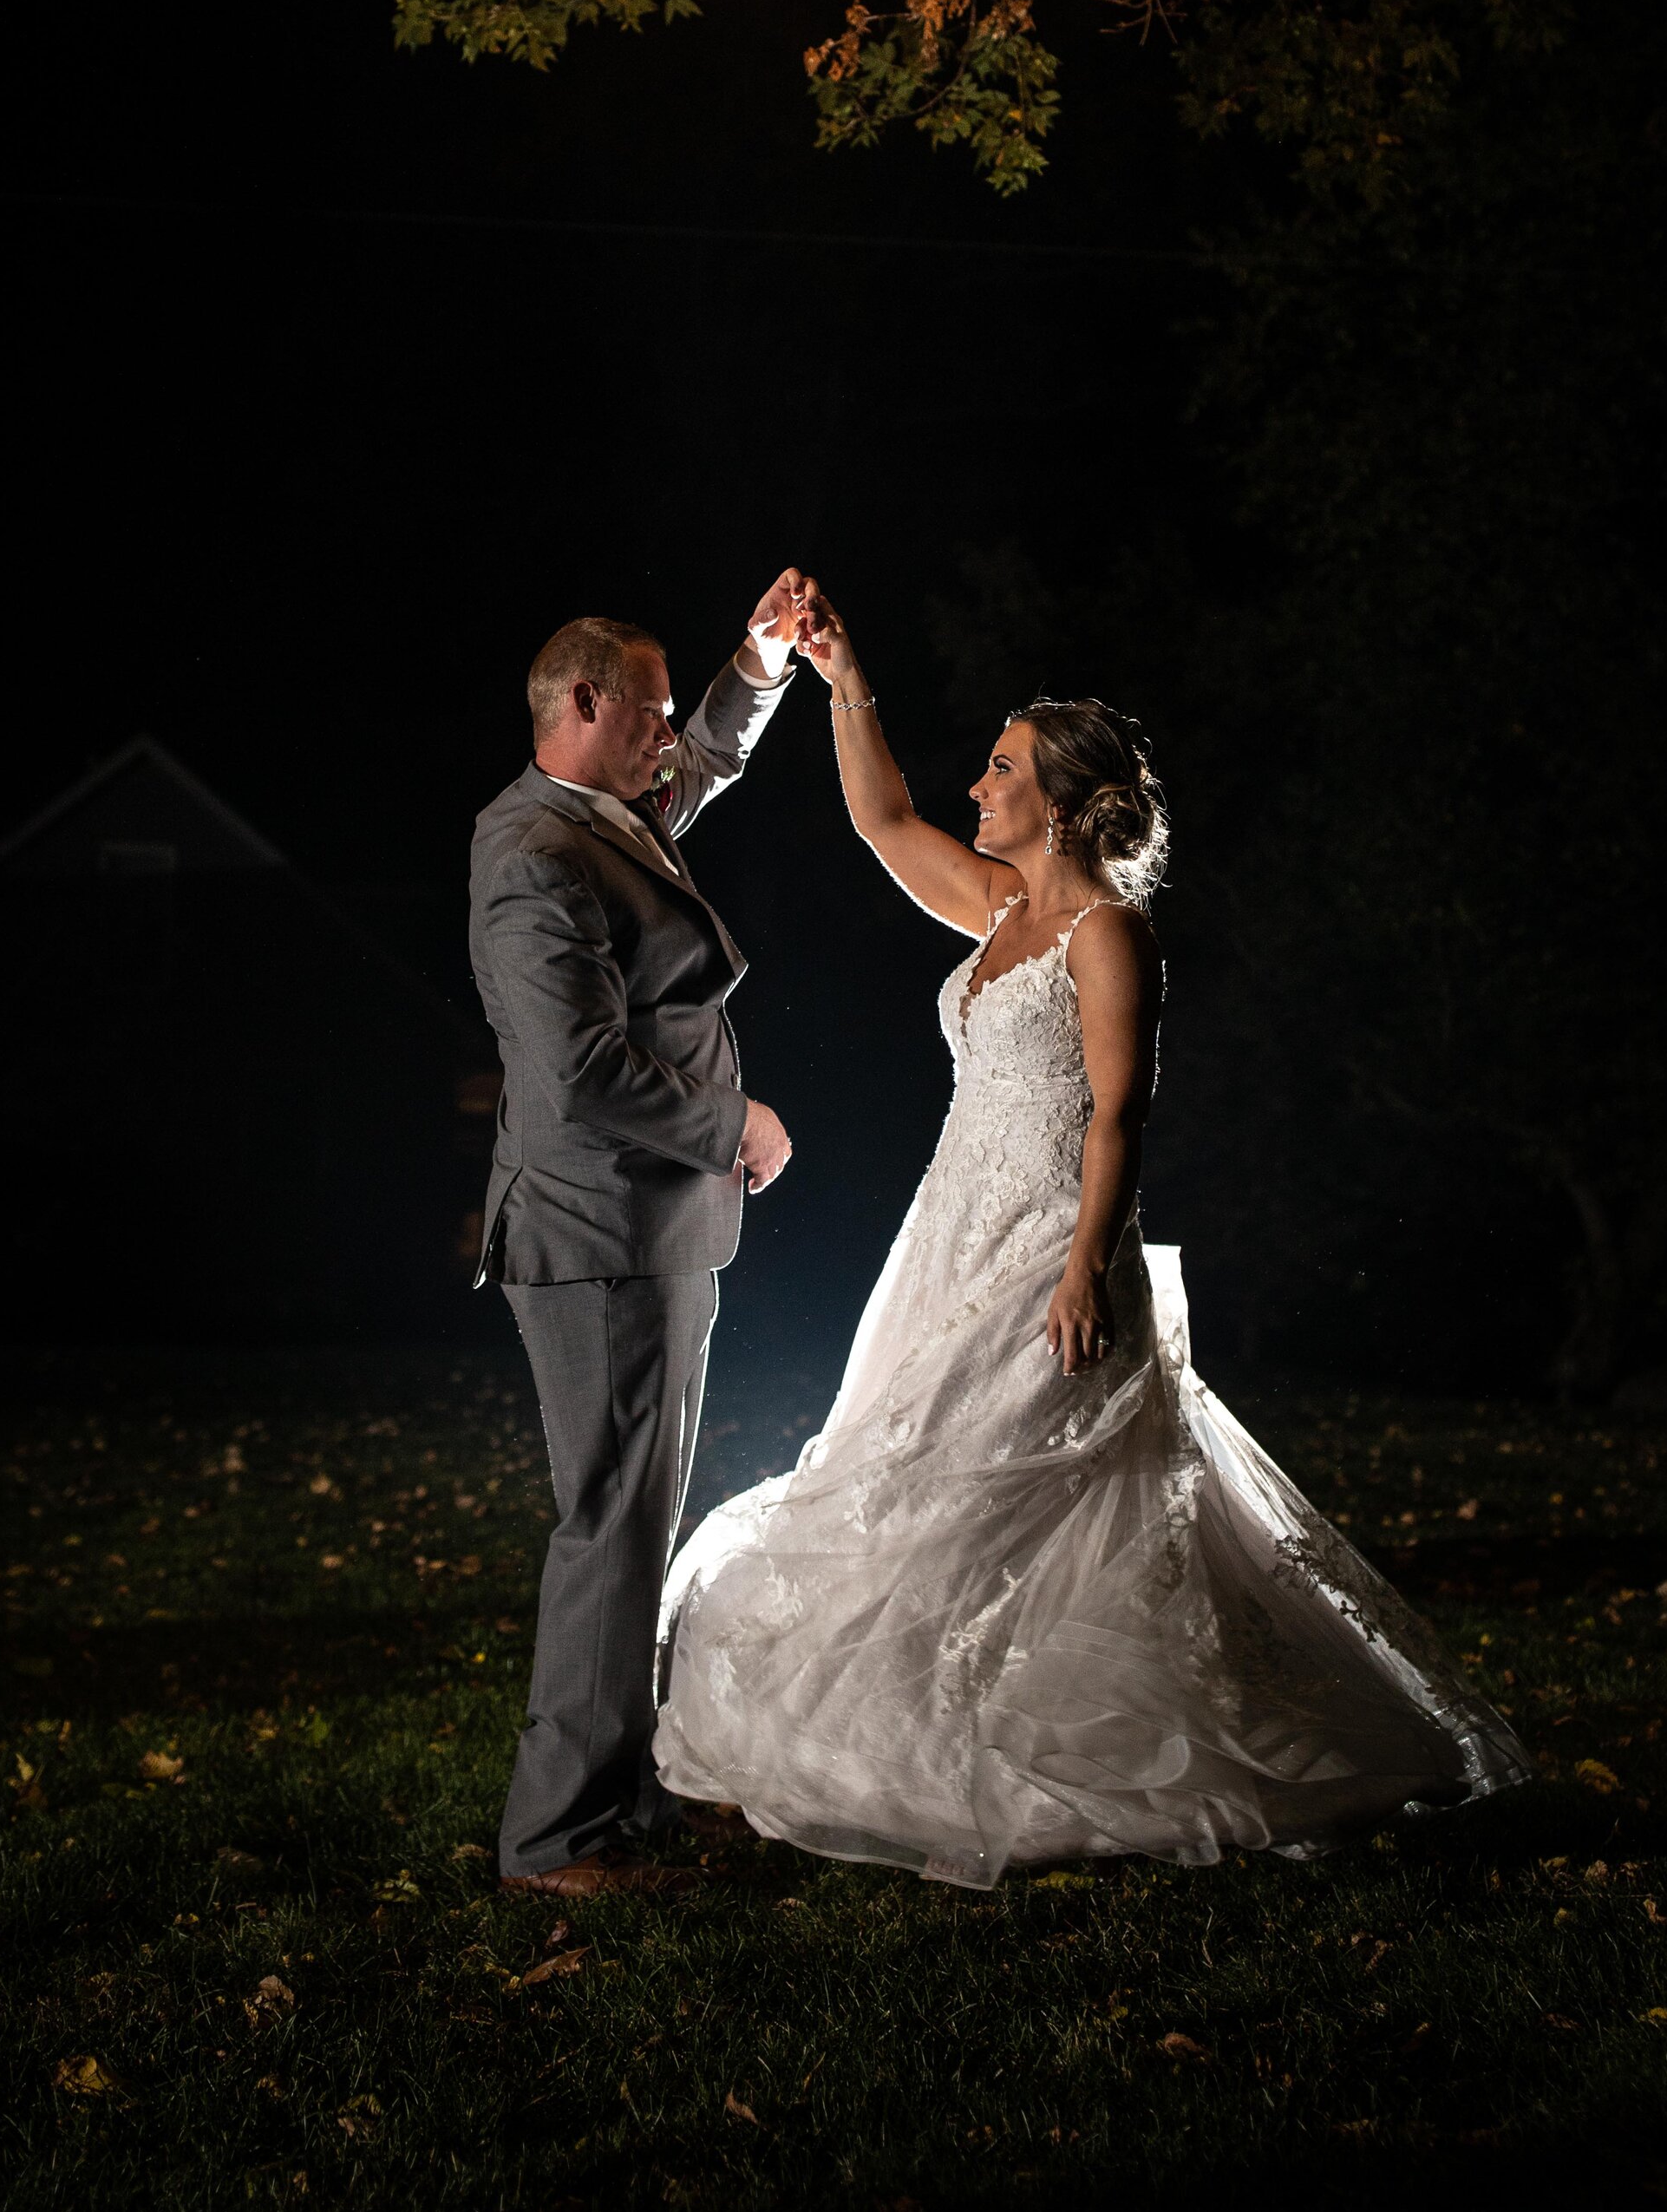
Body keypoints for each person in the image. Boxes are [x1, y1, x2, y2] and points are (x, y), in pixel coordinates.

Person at [652, 591, 1528, 1886]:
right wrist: (844, 672)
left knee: (1027, 1479)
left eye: (1000, 767)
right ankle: (923, 1702)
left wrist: (1081, 1268)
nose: (978, 782)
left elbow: (1120, 1110)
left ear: (1058, 800)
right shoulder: (1000, 906)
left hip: (1048, 1247)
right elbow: (882, 818)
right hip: (952, 1230)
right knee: (911, 1466)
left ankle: (1067, 1734)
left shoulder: (1107, 931)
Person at [469, 576, 808, 1895]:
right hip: (600, 1231)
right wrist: (733, 1120)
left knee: (634, 1518)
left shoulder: (604, 813)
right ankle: (558, 1839)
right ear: (585, 702)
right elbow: (577, 1075)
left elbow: (708, 759)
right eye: (653, 713)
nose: (672, 737)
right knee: (611, 1524)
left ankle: (620, 1797)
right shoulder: (536, 852)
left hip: (642, 1228)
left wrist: (758, 658)